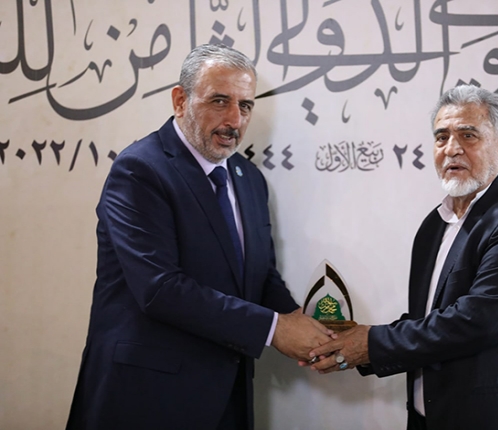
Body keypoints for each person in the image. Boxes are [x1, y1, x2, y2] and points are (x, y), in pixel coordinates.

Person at [66, 44, 333, 430]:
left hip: (227, 395)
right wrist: (276, 329)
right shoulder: (139, 170)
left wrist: (305, 327)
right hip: (146, 398)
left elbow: (258, 275)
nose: (234, 119)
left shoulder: (248, 178)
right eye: (219, 101)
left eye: (245, 105)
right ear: (180, 100)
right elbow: (160, 290)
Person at [308, 85, 498, 430]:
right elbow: (429, 320)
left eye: (468, 135)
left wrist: (371, 344)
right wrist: (348, 344)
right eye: (441, 137)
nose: (452, 148)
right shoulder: (434, 225)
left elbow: (476, 321)